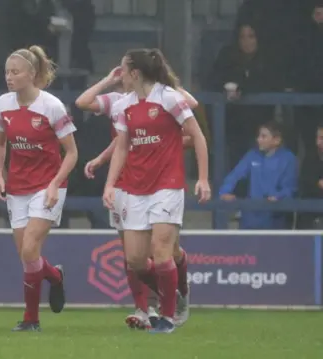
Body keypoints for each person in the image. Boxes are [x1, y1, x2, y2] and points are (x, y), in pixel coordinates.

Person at [76, 66, 198, 329]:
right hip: (125, 183)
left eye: (128, 68)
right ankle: (144, 309)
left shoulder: (163, 97)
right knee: (133, 254)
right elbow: (86, 105)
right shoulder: (117, 101)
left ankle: (177, 295)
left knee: (165, 250)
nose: (124, 72)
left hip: (158, 181)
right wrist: (108, 79)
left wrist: (164, 79)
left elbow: (192, 104)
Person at [103, 48, 210, 334]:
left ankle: (167, 316)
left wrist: (202, 178)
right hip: (135, 188)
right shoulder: (123, 105)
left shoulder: (170, 98)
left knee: (161, 251)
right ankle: (173, 293)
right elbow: (122, 146)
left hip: (167, 185)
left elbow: (197, 136)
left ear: (135, 73)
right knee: (136, 260)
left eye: (123, 71)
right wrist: (110, 183)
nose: (120, 76)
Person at [0, 46, 78, 332]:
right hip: (18, 187)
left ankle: (31, 320)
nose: (9, 77)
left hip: (48, 185)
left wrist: (54, 184)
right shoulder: (3, 104)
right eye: (7, 72)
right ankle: (54, 276)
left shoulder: (52, 106)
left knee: (30, 249)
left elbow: (72, 153)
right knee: (27, 257)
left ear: (31, 74)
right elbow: (0, 141)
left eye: (15, 72)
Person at [219, 121, 297, 229]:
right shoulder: (252, 155)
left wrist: (278, 197)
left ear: (276, 140)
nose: (258, 139)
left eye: (263, 136)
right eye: (259, 136)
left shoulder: (288, 158)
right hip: (250, 217)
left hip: (274, 218)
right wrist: (224, 192)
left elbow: (290, 187)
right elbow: (235, 175)